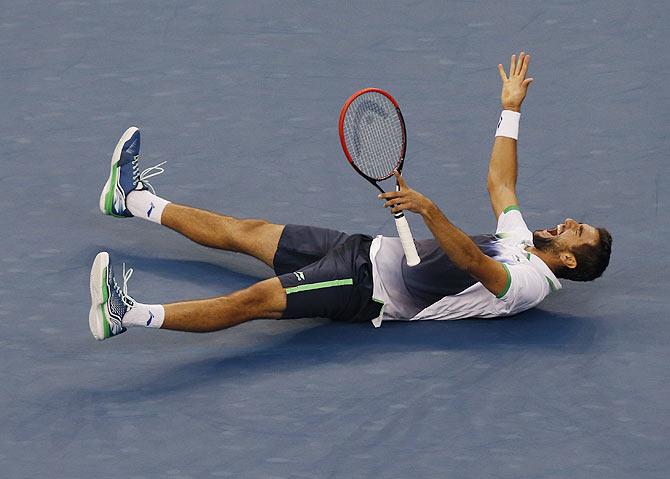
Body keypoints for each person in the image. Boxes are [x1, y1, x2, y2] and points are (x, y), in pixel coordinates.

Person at [88, 51, 612, 340]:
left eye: (578, 231)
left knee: (252, 301)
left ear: (568, 259)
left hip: (366, 289)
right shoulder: (524, 240)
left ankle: (127, 315)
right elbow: (501, 185)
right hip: (362, 248)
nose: (568, 220)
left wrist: (430, 210)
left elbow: (474, 262)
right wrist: (511, 109)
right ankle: (131, 200)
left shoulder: (527, 284)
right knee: (243, 230)